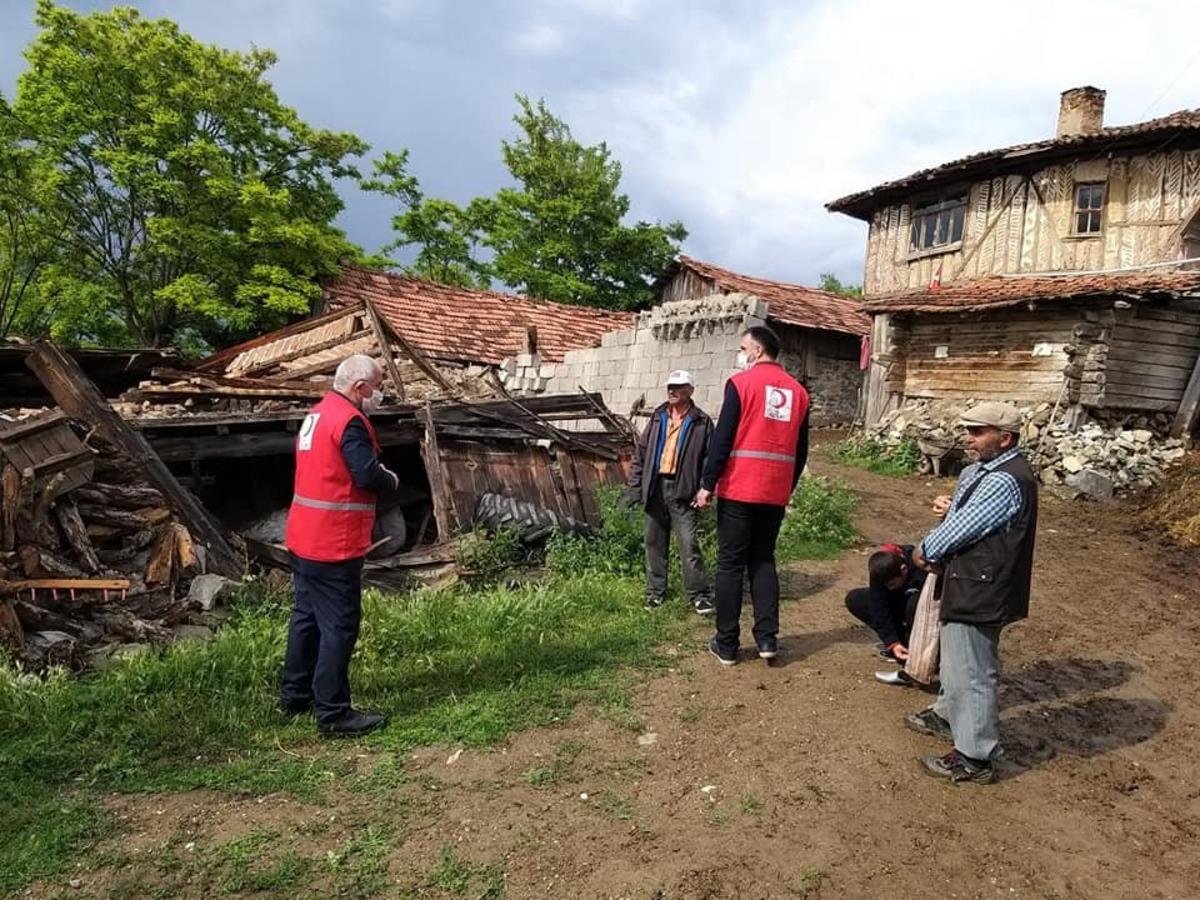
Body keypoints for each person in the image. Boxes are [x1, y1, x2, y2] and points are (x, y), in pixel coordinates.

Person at [904, 401, 1039, 784]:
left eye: (977, 432)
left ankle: (974, 756)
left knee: (972, 670)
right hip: (975, 580)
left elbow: (963, 529)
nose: (969, 439)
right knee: (958, 661)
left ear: (1005, 438)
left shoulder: (1003, 480)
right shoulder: (987, 471)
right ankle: (947, 714)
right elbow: (965, 516)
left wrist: (925, 550)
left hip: (982, 586)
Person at [281, 354, 399, 738]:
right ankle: (333, 713)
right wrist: (390, 480)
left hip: (303, 536)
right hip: (333, 541)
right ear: (359, 387)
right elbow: (365, 474)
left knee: (306, 617)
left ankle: (295, 696)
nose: (380, 394)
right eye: (378, 387)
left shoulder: (317, 414)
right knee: (339, 626)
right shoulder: (350, 421)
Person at [695, 325, 809, 665]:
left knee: (730, 564)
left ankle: (727, 644)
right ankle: (767, 640)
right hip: (774, 492)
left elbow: (723, 438)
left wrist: (707, 483)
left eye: (744, 349)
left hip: (740, 487)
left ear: (757, 351)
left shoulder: (741, 384)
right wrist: (786, 487)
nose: (742, 354)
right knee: (763, 559)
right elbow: (801, 450)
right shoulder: (799, 392)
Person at [627, 370, 716, 614]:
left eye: (678, 386)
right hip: (656, 487)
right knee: (654, 543)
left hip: (683, 489)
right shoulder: (658, 416)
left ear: (690, 390)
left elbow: (710, 459)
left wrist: (705, 488)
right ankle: (655, 593)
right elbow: (641, 452)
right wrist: (636, 485)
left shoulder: (701, 421)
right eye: (670, 386)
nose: (672, 391)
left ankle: (699, 595)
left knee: (689, 544)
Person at [844, 543, 926, 663]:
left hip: (919, 607)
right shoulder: (881, 572)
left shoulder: (921, 566)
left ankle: (918, 643)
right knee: (855, 599)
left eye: (892, 584)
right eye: (885, 586)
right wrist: (892, 642)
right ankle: (901, 643)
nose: (889, 588)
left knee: (913, 604)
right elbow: (878, 607)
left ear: (903, 570)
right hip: (898, 603)